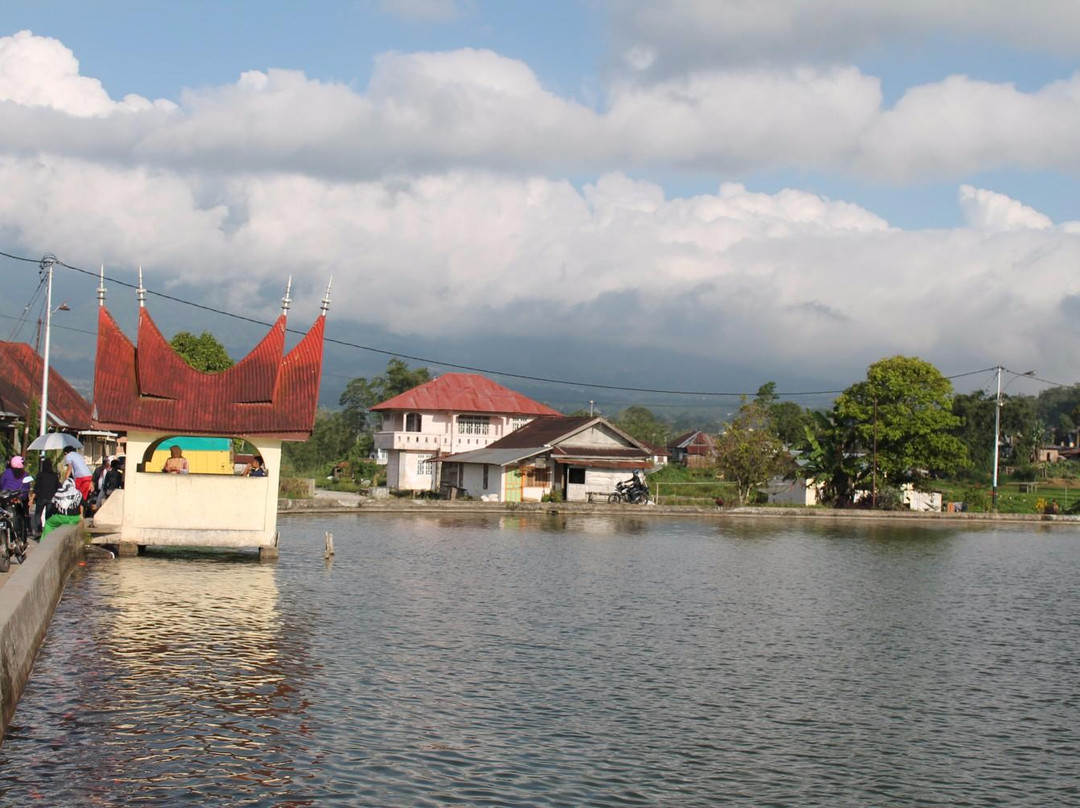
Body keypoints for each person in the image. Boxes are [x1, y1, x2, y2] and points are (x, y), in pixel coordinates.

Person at [30, 458, 60, 539]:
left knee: (37, 515)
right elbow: (58, 487)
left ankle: (39, 530)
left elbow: (36, 488)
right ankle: (47, 531)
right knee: (48, 515)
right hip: (51, 498)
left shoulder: (40, 475)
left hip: (41, 497)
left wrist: (32, 498)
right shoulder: (54, 475)